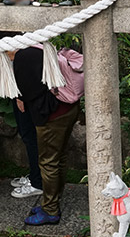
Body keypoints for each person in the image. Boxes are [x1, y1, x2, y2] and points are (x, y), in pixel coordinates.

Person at [9, 43, 79, 225]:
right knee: (59, 157)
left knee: (48, 162)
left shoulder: (23, 57)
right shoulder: (41, 47)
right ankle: (53, 200)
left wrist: (20, 96)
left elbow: (27, 92)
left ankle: (50, 210)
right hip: (69, 108)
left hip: (52, 116)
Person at [6, 0, 43, 199]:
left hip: (29, 89)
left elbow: (27, 64)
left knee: (30, 135)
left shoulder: (36, 23)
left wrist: (21, 94)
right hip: (16, 85)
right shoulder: (14, 20)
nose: (13, 0)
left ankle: (38, 182)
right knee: (26, 133)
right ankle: (34, 174)